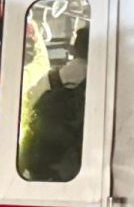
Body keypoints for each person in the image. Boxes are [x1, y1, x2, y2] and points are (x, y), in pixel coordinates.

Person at [18, 26, 88, 181]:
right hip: (72, 158)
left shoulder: (59, 77)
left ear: (74, 49)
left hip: (48, 154)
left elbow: (31, 99)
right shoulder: (99, 78)